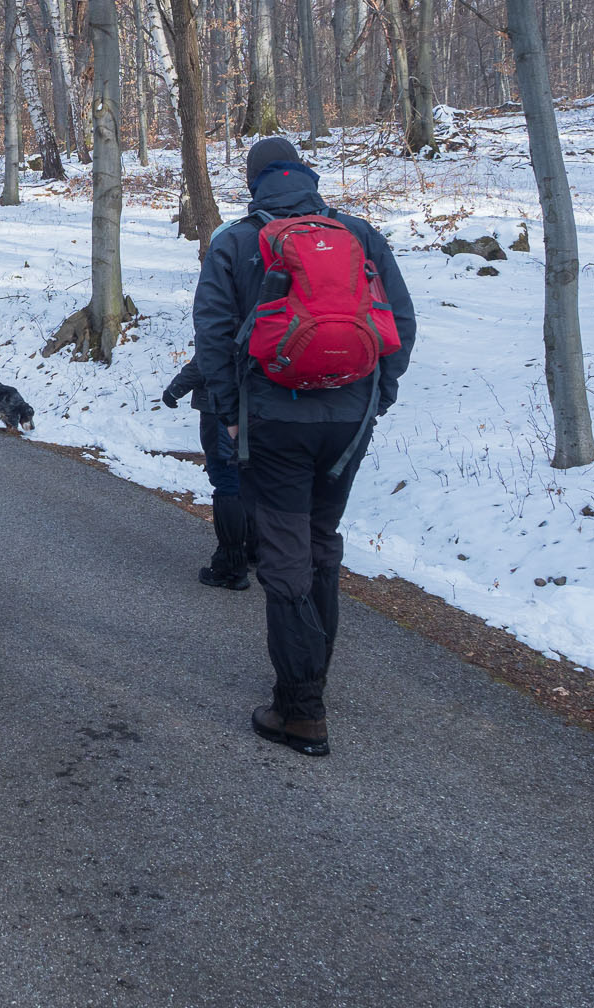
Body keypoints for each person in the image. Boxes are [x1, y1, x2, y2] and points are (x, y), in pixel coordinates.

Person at [191, 136, 416, 756]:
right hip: (349, 420)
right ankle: (311, 679)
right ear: (307, 176)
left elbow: (212, 332)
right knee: (321, 541)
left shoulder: (236, 242)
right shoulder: (360, 235)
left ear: (255, 181)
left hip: (273, 420)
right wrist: (378, 397)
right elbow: (402, 321)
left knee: (286, 552)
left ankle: (300, 708)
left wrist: (225, 413)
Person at [162, 354, 255, 589]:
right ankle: (256, 551)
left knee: (228, 482)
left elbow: (209, 354)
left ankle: (231, 566)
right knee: (253, 479)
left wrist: (176, 388)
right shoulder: (272, 316)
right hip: (265, 406)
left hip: (222, 407)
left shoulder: (224, 316)